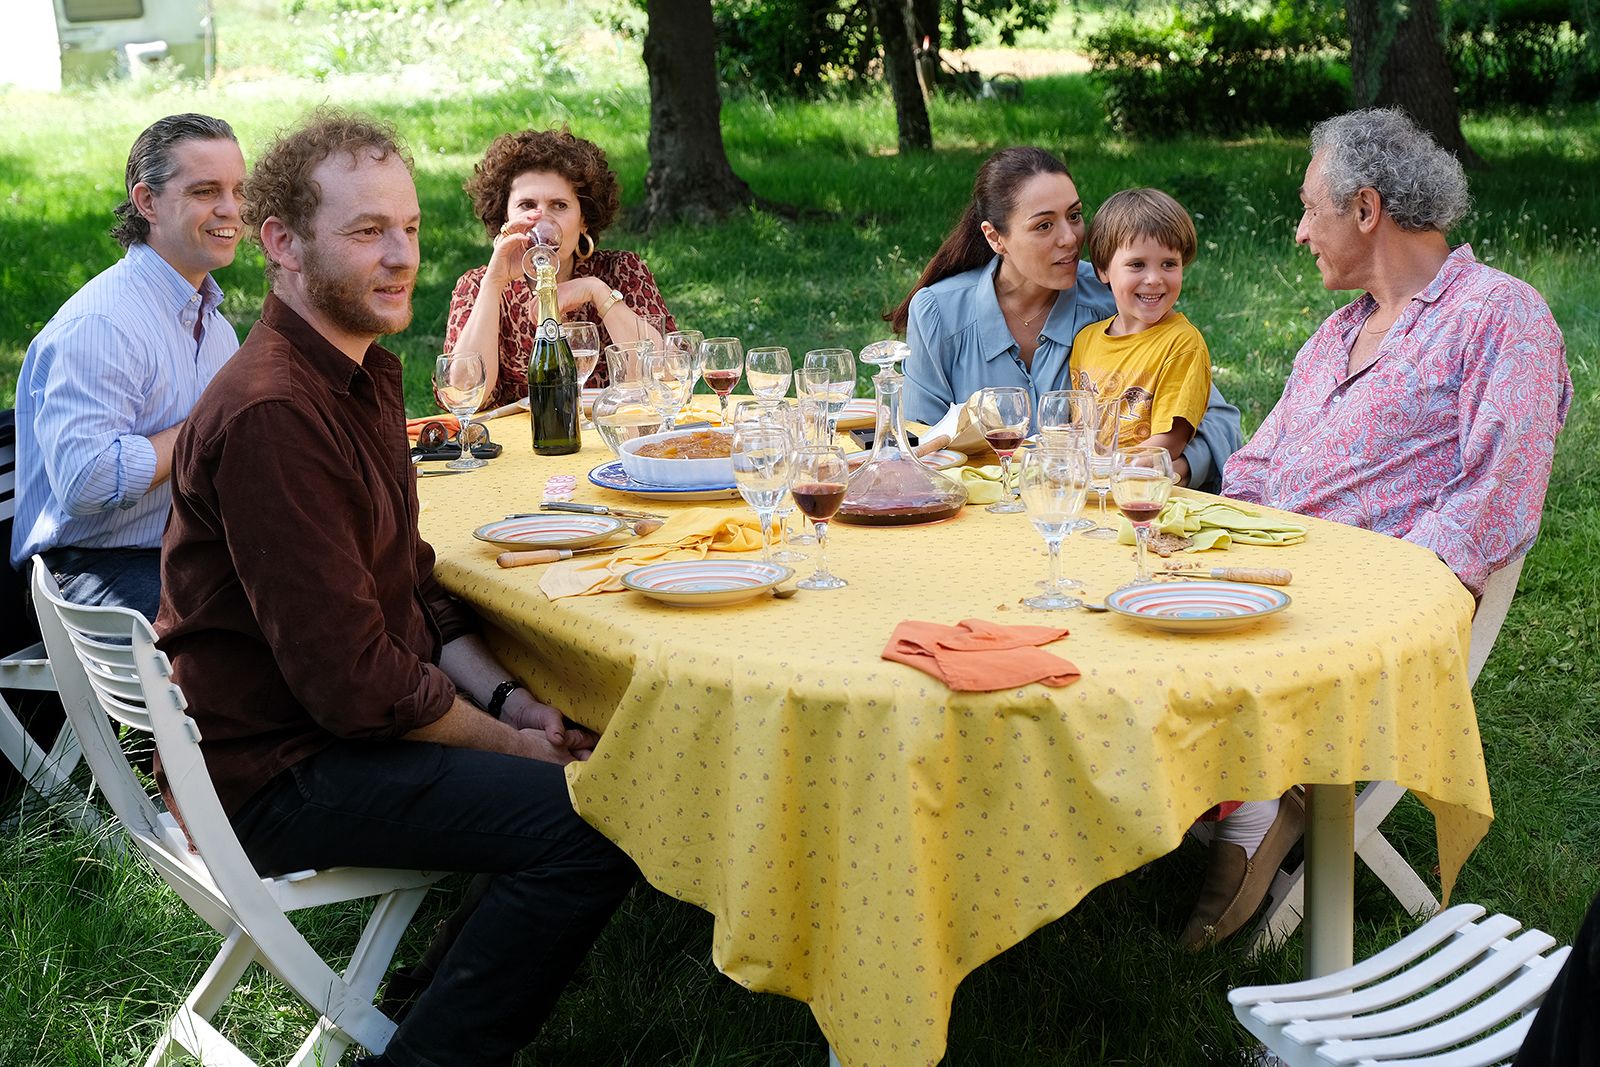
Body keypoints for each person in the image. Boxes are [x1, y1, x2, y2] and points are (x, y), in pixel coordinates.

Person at [154, 110, 637, 1067]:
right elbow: (360, 685)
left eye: (410, 229)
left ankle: (423, 999)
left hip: (313, 731)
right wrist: (512, 745)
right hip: (277, 771)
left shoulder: (360, 372)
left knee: (574, 778)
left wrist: (512, 700)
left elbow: (412, 588)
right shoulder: (275, 411)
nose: (400, 256)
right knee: (594, 824)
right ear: (283, 245)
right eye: (368, 231)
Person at [1188, 108, 1573, 950]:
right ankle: (1198, 789)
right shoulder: (1338, 332)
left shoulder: (1499, 316)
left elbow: (1495, 503)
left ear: (1365, 209)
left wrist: (1350, 584)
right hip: (1260, 570)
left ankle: (1258, 795)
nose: (1297, 232)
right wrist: (1208, 529)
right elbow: (1254, 465)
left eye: (1307, 208)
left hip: (1357, 610)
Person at [889, 146, 1241, 493]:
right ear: (995, 237)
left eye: (1074, 216)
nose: (1070, 238)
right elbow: (921, 439)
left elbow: (1219, 421)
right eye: (1044, 225)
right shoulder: (937, 311)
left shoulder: (1115, 298)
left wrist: (1173, 466)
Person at [11, 113, 244, 621]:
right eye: (206, 191)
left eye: (238, 190)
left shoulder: (214, 325)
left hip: (178, 548)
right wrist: (208, 429)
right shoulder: (104, 325)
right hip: (83, 572)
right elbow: (85, 482)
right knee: (267, 624)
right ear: (147, 202)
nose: (231, 210)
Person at [446, 127, 676, 408]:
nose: (541, 221)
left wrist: (596, 292)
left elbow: (664, 377)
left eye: (559, 205)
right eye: (527, 205)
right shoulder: (476, 286)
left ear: (584, 220)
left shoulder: (621, 270)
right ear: (504, 214)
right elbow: (464, 395)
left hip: (612, 436)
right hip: (520, 446)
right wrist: (493, 283)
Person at [1069, 187, 1211, 462]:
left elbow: (1169, 443)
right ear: (1103, 270)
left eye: (1169, 264)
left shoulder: (1182, 344)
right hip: (1088, 486)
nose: (1154, 279)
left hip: (1138, 489)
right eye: (1137, 265)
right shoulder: (1086, 340)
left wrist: (1105, 469)